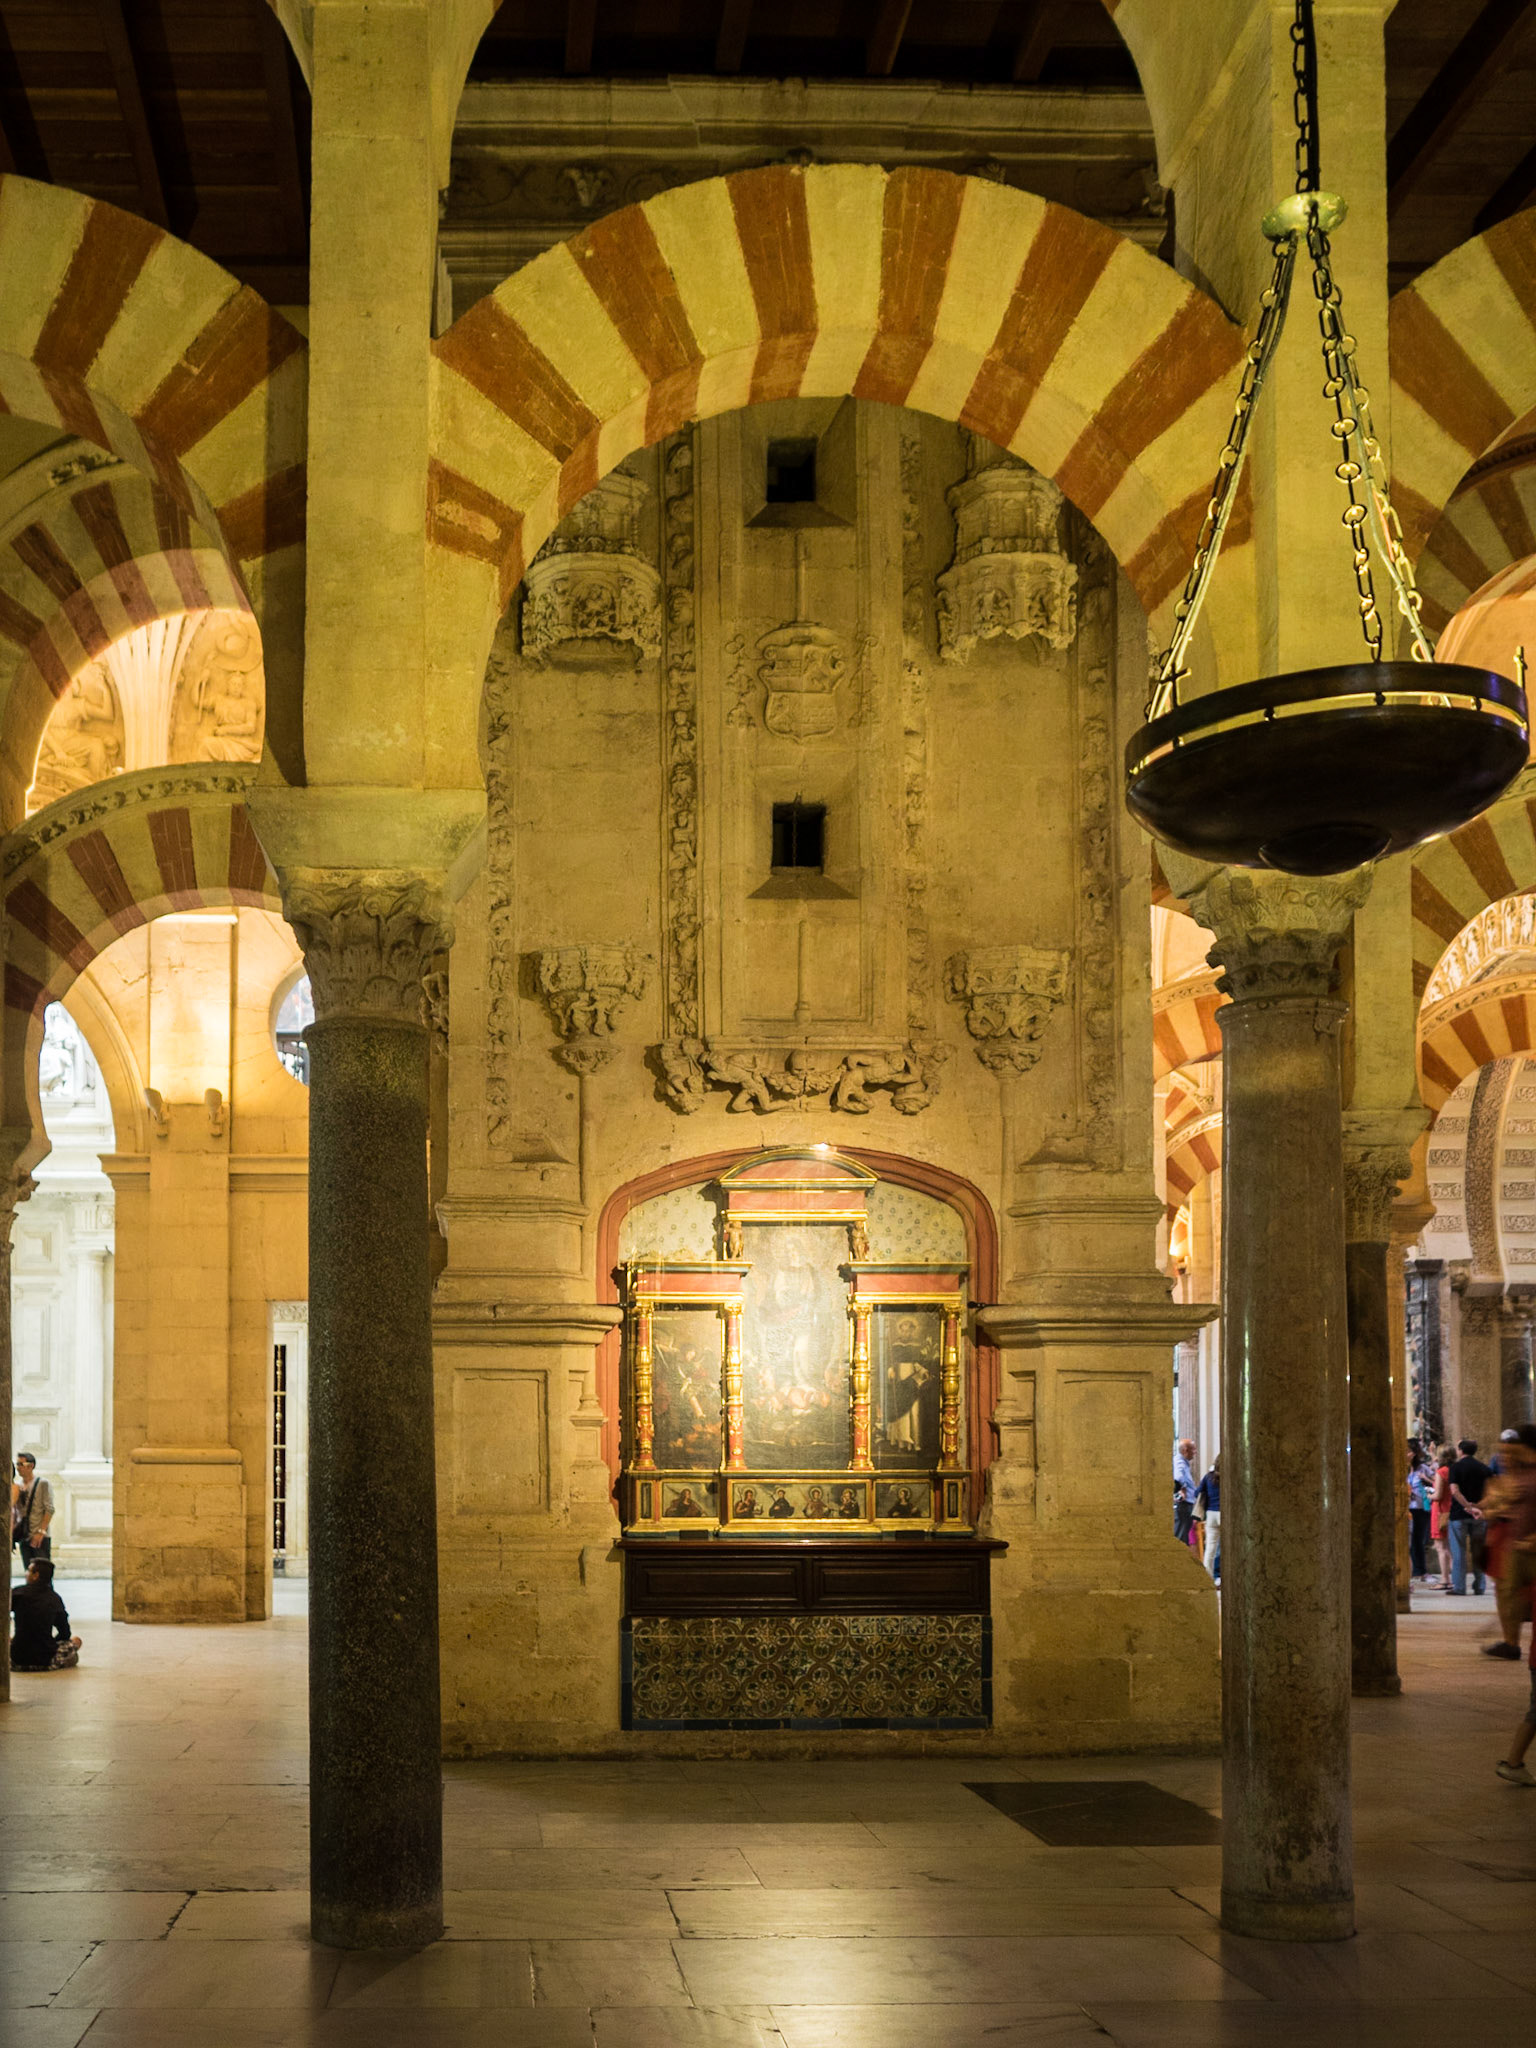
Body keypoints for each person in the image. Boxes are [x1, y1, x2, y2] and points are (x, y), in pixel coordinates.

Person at [1482, 1424, 1536, 1661]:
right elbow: (1490, 1508)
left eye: (1511, 1450)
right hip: (1513, 1544)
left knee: (1515, 1594)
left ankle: (1512, 1642)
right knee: (1508, 1593)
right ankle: (1511, 1642)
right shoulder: (1509, 1477)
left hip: (1527, 1546)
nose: (1506, 1457)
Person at [10, 1559, 81, 1671]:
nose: (26, 1574)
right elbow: (65, 1632)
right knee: (77, 1641)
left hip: (16, 1659)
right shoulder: (54, 1599)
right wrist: (51, 1642)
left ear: (35, 1575)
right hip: (45, 1660)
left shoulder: (17, 1593)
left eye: (28, 1571)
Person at [1446, 1437, 1492, 1595]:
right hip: (1479, 1516)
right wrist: (1476, 1507)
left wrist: (1467, 1506)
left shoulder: (1456, 1467)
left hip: (1459, 1514)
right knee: (1478, 1551)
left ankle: (1459, 1587)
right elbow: (1491, 1493)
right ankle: (1480, 1586)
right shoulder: (1484, 1469)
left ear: (1460, 1450)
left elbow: (1454, 1490)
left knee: (1458, 1552)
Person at [12, 1452, 53, 1570]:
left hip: (39, 1535)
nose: (18, 1468)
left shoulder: (42, 1483)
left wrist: (41, 1532)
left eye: (21, 1464)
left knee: (42, 1573)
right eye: (17, 1464)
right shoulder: (18, 1486)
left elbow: (49, 1509)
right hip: (25, 1535)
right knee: (29, 1571)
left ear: (31, 1466)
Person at [1407, 1440, 1437, 1584]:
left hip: (1420, 1508)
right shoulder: (1401, 1469)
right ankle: (1411, 1571)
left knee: (1419, 1540)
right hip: (1407, 1508)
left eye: (1408, 1451)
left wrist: (1426, 1479)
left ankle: (1421, 1570)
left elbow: (1436, 1481)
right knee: (1409, 1541)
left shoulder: (1422, 1468)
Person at [1431, 1445, 1455, 1591]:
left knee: (1441, 1547)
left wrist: (1428, 1495)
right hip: (1451, 1509)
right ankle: (1455, 1578)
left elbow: (1438, 1494)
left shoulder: (1441, 1471)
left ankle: (1445, 1579)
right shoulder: (1454, 1470)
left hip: (1440, 1510)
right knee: (1450, 1547)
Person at [1194, 1457, 1221, 1583]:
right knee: (1226, 1547)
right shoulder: (1228, 1477)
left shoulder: (1208, 1477)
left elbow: (1197, 1493)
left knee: (1210, 1547)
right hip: (1223, 1514)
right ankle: (1220, 1576)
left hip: (1210, 1514)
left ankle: (1207, 1578)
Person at [1173, 1438, 1198, 1544]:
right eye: (1193, 1449)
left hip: (1186, 1504)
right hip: (1184, 1504)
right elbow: (1179, 1477)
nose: (1195, 1452)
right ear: (1185, 1450)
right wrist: (1182, 1489)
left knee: (1183, 1534)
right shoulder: (1180, 1461)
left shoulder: (1183, 1462)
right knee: (1181, 1536)